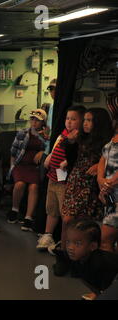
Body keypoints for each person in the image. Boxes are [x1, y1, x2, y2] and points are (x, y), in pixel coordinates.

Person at [59, 108, 113, 252]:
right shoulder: (80, 137)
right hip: (76, 180)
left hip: (91, 185)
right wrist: (70, 142)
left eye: (90, 121)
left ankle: (82, 256)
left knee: (84, 224)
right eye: (85, 120)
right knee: (67, 219)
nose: (85, 124)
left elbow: (111, 161)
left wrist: (99, 164)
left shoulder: (107, 142)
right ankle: (64, 253)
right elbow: (71, 159)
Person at [37, 106, 86, 251]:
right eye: (67, 118)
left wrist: (67, 162)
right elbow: (56, 146)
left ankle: (64, 242)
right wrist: (50, 156)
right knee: (51, 208)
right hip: (53, 177)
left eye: (73, 119)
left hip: (65, 182)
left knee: (64, 210)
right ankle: (47, 235)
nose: (69, 122)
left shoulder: (79, 138)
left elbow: (77, 157)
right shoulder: (63, 134)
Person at [52, 217, 118, 300]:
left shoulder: (100, 264)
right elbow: (87, 281)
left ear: (93, 246)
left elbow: (111, 288)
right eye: (68, 242)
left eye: (78, 243)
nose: (70, 247)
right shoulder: (76, 258)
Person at [7, 109, 48, 231]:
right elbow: (13, 152)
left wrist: (42, 151)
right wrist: (12, 168)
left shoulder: (46, 136)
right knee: (19, 184)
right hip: (20, 165)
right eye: (32, 119)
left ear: (43, 122)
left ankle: (28, 217)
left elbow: (50, 149)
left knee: (33, 187)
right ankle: (14, 210)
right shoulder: (23, 133)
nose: (34, 122)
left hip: (34, 168)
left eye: (37, 120)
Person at [97, 120, 118, 253]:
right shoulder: (111, 141)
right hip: (110, 197)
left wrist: (109, 183)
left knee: (105, 239)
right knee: (106, 242)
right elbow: (102, 160)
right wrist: (101, 181)